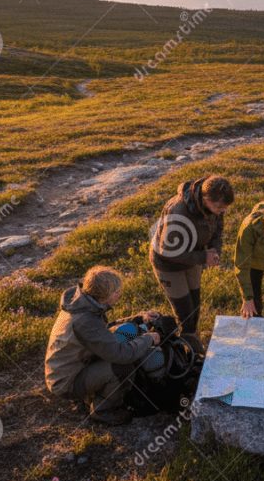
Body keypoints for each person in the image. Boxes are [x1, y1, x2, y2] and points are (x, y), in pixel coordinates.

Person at [45, 265, 162, 426]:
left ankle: (99, 390)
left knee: (124, 337)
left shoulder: (82, 302)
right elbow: (121, 354)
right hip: (66, 381)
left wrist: (137, 319)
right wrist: (149, 339)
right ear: (104, 296)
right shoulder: (85, 320)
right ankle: (103, 411)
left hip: (73, 366)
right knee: (122, 368)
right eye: (116, 292)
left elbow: (103, 331)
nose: (119, 294)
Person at [150, 175, 234, 356]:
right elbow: (168, 251)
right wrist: (203, 257)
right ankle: (189, 356)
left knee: (195, 306)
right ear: (205, 199)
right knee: (186, 314)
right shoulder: (178, 212)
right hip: (168, 264)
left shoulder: (216, 206)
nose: (221, 211)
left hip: (193, 257)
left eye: (225, 208)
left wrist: (213, 251)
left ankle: (192, 343)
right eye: (219, 207)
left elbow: (217, 231)